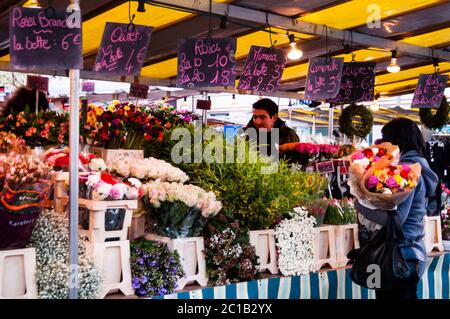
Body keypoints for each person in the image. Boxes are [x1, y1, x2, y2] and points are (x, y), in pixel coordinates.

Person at [355, 118, 438, 299]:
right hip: (411, 251)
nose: (385, 146)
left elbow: (397, 219)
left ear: (397, 140)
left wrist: (362, 207)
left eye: (387, 139)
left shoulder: (408, 170)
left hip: (400, 255)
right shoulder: (418, 166)